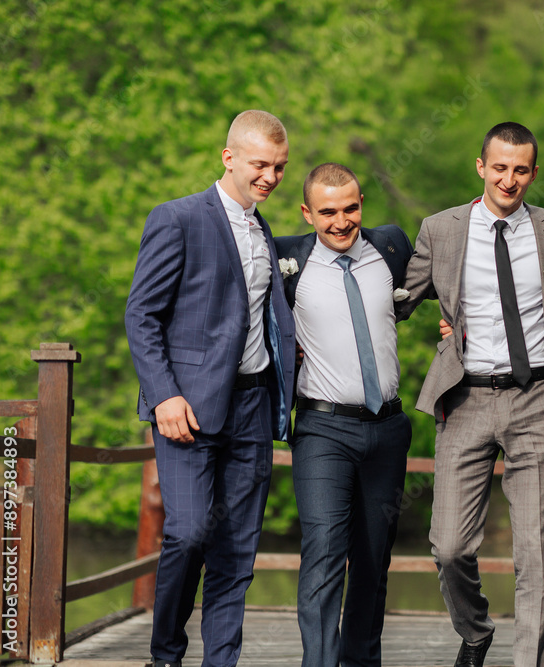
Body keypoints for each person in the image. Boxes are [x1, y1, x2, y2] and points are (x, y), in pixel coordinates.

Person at [396, 122, 544, 667]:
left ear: (534, 173)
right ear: (481, 167)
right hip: (465, 397)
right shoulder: (441, 229)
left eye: (520, 170)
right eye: (499, 167)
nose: (509, 179)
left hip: (536, 398)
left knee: (536, 552)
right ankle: (475, 630)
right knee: (449, 546)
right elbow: (400, 299)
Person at [125, 110, 295, 667]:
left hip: (253, 406)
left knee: (237, 550)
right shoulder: (177, 218)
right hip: (189, 409)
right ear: (229, 157)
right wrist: (163, 395)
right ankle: (165, 654)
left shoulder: (264, 230)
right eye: (260, 164)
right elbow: (141, 315)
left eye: (279, 167)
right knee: (190, 533)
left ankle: (221, 661)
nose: (270, 176)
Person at [274, 163, 412, 667]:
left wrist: (452, 325)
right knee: (325, 549)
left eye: (350, 208)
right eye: (327, 211)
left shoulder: (390, 247)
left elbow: (439, 291)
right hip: (322, 429)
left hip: (388, 429)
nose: (341, 221)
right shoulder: (287, 259)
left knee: (373, 560)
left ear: (362, 205)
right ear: (307, 213)